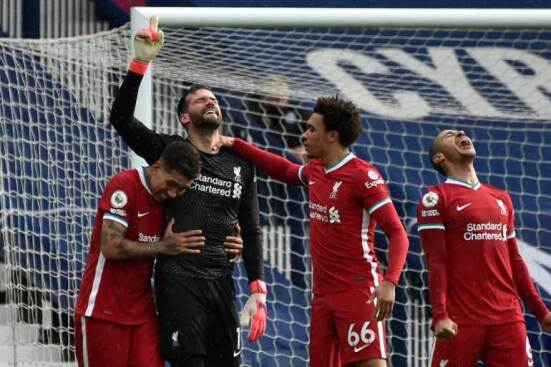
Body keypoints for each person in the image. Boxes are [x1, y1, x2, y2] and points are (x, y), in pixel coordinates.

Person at [109, 17, 267, 367]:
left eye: (213, 98)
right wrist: (140, 63)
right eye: (199, 100)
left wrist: (257, 285)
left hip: (222, 283)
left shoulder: (240, 164)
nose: (209, 102)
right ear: (184, 117)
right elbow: (121, 119)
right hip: (179, 282)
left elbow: (251, 227)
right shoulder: (171, 153)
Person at [218, 96, 410, 367]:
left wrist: (389, 282)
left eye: (311, 129)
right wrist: (237, 145)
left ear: (332, 136)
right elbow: (285, 169)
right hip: (322, 295)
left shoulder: (364, 177)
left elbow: (397, 233)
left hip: (358, 289)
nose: (305, 135)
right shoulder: (316, 170)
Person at [416, 129, 551, 366]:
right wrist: (440, 315)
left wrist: (541, 312)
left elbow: (515, 261)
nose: (460, 132)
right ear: (439, 158)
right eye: (449, 135)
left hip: (507, 317)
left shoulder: (501, 198)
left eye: (460, 132)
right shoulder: (436, 198)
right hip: (461, 320)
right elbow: (436, 262)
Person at [74, 141, 207, 367]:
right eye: (172, 184)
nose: (175, 193)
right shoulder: (124, 185)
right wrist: (163, 246)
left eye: (183, 188)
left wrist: (234, 236)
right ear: (156, 167)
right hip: (102, 313)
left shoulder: (169, 200)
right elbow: (111, 246)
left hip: (143, 316)